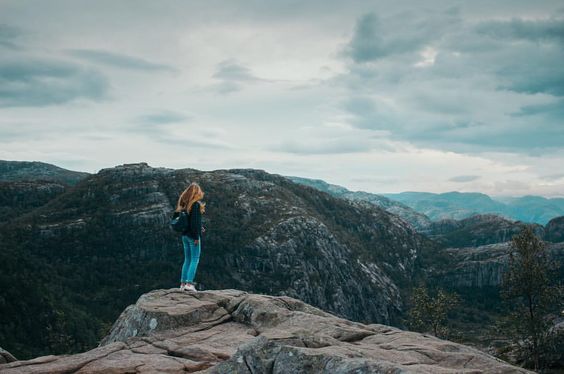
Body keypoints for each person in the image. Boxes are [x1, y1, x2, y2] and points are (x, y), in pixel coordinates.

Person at [173, 182, 206, 291]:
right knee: (195, 259)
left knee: (187, 259)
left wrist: (199, 227)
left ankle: (182, 283)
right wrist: (197, 236)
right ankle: (189, 284)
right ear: (196, 193)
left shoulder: (183, 204)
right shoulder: (195, 204)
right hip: (193, 236)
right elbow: (195, 222)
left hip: (185, 235)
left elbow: (186, 220)